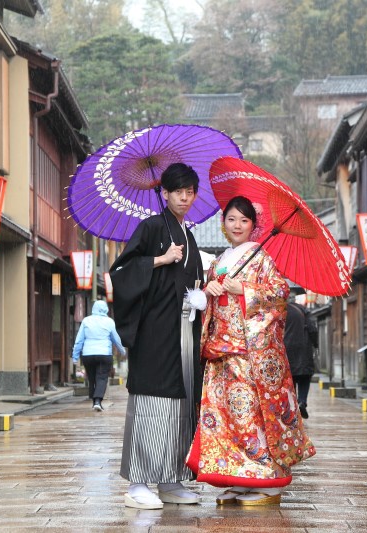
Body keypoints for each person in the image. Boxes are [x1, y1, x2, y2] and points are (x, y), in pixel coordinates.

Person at [186, 195, 316, 506]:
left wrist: (243, 289)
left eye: (244, 220)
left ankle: (267, 478)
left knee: (251, 416)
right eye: (232, 219)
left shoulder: (262, 258)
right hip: (220, 351)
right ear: (223, 223)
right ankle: (238, 477)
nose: (237, 225)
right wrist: (209, 291)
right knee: (225, 417)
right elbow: (210, 302)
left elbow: (279, 292)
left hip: (249, 352)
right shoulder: (219, 261)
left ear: (253, 226)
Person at [109, 162, 206, 510]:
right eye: (178, 190)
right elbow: (119, 272)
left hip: (183, 332)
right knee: (152, 402)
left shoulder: (189, 235)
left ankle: (170, 478)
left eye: (190, 190)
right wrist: (159, 260)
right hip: (154, 333)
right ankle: (138, 482)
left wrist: (201, 295)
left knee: (181, 403)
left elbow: (192, 281)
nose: (184, 196)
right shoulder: (150, 228)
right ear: (163, 193)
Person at [71, 300, 125, 412]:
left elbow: (79, 340)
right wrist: (122, 350)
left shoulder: (86, 321)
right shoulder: (109, 322)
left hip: (88, 355)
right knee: (101, 377)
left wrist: (75, 356)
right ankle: (97, 401)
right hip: (104, 354)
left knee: (92, 378)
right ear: (106, 309)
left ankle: (93, 400)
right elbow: (116, 339)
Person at [283, 298, 318, 419]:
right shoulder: (302, 310)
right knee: (305, 376)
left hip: (285, 349)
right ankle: (302, 401)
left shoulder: (278, 309)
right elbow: (313, 328)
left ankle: (293, 407)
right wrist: (316, 343)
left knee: (289, 379)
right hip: (303, 348)